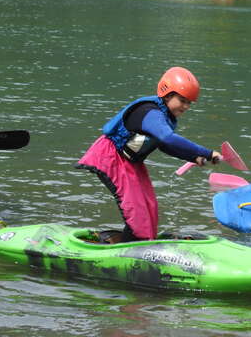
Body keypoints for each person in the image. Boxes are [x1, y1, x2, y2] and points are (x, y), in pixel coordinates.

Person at [75, 67, 221, 242]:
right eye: (182, 100)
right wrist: (206, 152)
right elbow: (167, 138)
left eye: (189, 102)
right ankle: (130, 248)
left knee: (149, 207)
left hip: (131, 163)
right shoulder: (150, 112)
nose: (186, 106)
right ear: (167, 94)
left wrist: (194, 157)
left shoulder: (165, 116)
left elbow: (165, 145)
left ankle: (138, 242)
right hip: (111, 157)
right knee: (136, 210)